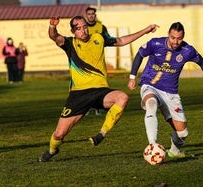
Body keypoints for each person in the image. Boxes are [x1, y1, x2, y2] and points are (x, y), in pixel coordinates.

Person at [38, 15, 158, 162]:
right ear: (73, 31)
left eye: (84, 27)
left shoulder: (98, 38)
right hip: (79, 95)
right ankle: (52, 150)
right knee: (59, 134)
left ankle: (101, 134)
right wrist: (52, 26)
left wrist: (145, 30)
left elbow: (121, 41)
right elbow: (54, 36)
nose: (83, 31)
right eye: (78, 29)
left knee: (122, 97)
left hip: (101, 91)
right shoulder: (69, 43)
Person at [127, 22, 203, 159]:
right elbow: (139, 55)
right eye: (173, 38)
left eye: (179, 38)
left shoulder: (187, 50)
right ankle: (152, 144)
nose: (175, 41)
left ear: (183, 37)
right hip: (150, 85)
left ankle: (174, 151)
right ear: (168, 34)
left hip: (171, 93)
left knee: (183, 133)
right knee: (151, 104)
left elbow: (202, 62)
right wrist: (132, 77)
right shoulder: (155, 43)